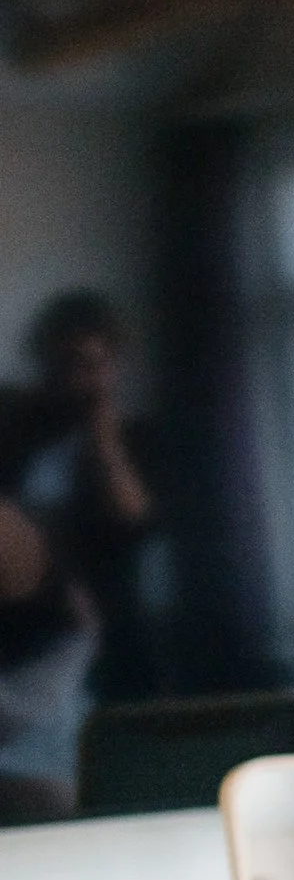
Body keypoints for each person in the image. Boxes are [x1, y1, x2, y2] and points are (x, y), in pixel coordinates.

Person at [0, 292, 156, 821]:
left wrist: (104, 440)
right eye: (65, 364)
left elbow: (135, 525)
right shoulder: (15, 434)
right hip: (24, 637)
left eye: (93, 365)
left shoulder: (134, 438)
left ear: (114, 365)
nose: (79, 379)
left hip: (106, 641)